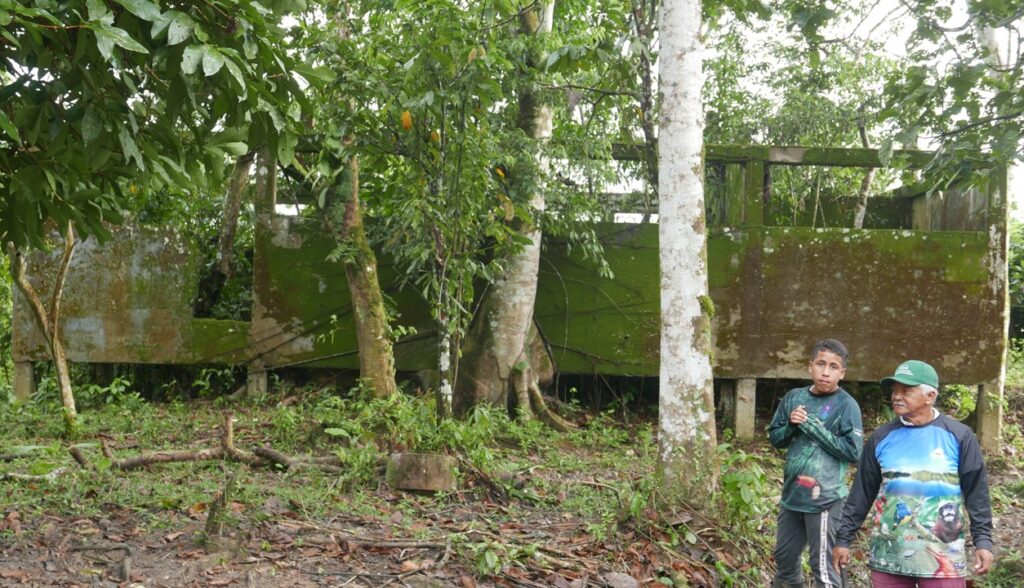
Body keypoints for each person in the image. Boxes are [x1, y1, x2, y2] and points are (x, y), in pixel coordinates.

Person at [833, 360, 994, 587]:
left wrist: (983, 541)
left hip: (943, 559)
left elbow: (977, 493)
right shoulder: (881, 437)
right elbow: (861, 493)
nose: (897, 396)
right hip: (890, 557)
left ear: (930, 396)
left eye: (906, 390)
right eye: (894, 390)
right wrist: (843, 539)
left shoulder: (959, 436)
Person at [769, 339, 864, 587]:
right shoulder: (794, 397)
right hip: (792, 497)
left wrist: (812, 427)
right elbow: (776, 438)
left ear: (842, 373)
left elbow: (853, 451)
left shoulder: (846, 405)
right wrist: (791, 425)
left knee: (822, 566)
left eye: (833, 367)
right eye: (821, 364)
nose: (825, 372)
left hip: (825, 501)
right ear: (810, 366)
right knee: (784, 562)